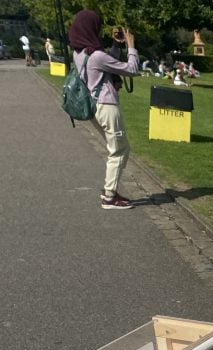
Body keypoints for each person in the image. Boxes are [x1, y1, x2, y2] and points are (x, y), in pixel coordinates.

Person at [69, 9, 140, 210]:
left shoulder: (79, 53)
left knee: (115, 148)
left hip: (93, 106)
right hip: (107, 106)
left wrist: (116, 46)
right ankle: (110, 197)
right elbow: (131, 69)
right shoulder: (96, 56)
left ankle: (111, 190)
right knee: (119, 150)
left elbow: (108, 65)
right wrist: (131, 47)